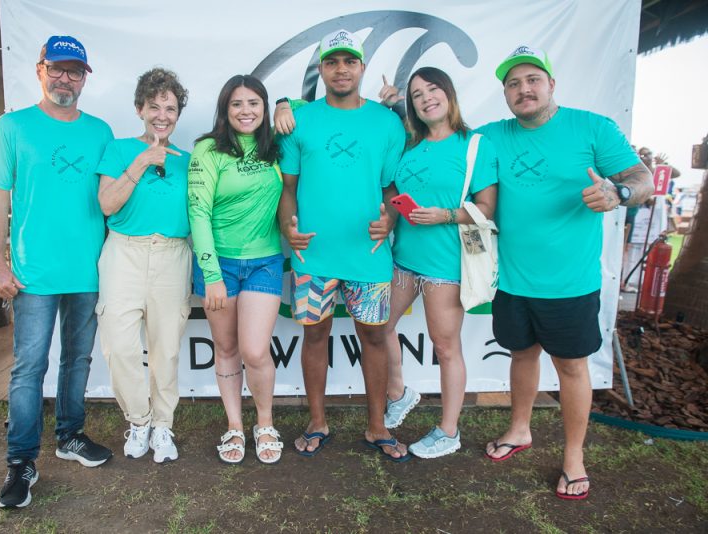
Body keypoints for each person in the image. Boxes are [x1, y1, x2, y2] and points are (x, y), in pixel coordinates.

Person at [478, 46, 653, 499]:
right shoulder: (493, 135)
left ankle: (573, 457)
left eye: (532, 80)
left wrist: (618, 192)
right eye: (513, 84)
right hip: (512, 280)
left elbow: (643, 179)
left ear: (551, 84)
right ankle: (519, 430)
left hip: (570, 284)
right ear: (505, 93)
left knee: (572, 367)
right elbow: (440, 133)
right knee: (521, 355)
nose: (524, 89)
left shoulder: (592, 127)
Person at [0, 35, 114, 509]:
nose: (65, 79)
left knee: (77, 361)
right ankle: (21, 462)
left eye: (74, 71)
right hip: (33, 273)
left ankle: (70, 435)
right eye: (57, 69)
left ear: (84, 78)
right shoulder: (13, 127)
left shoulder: (99, 131)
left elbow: (110, 199)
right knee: (29, 369)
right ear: (40, 70)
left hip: (87, 269)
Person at [277, 29, 410, 461]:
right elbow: (288, 188)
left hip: (368, 257)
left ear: (362, 68)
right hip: (312, 256)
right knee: (315, 337)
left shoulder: (386, 122)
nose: (340, 69)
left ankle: (377, 426)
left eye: (349, 61)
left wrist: (389, 219)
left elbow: (391, 188)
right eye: (332, 62)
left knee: (374, 338)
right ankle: (317, 421)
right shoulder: (300, 120)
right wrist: (286, 228)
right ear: (322, 68)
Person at [380, 67, 498, 458]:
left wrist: (445, 215)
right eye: (417, 95)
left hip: (446, 265)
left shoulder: (474, 144)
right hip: (403, 259)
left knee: (446, 348)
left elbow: (486, 208)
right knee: (380, 326)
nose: (427, 98)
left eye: (433, 89)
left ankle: (449, 431)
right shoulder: (409, 144)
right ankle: (399, 392)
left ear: (448, 93)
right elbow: (393, 187)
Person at [95, 68, 191, 464]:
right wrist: (141, 162)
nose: (162, 115)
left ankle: (163, 425)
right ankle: (139, 420)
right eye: (155, 106)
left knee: (166, 348)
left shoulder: (189, 160)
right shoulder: (118, 150)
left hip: (172, 254)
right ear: (140, 109)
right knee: (119, 346)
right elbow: (106, 205)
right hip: (124, 252)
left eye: (170, 108)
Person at [188, 75, 285, 464]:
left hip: (265, 260)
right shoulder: (208, 150)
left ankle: (265, 423)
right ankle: (234, 426)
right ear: (225, 111)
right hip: (219, 265)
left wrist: (286, 104)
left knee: (255, 349)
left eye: (254, 103)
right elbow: (198, 212)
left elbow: (317, 112)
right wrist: (210, 274)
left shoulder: (277, 148)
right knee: (227, 349)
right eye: (236, 104)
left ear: (264, 108)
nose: (246, 111)